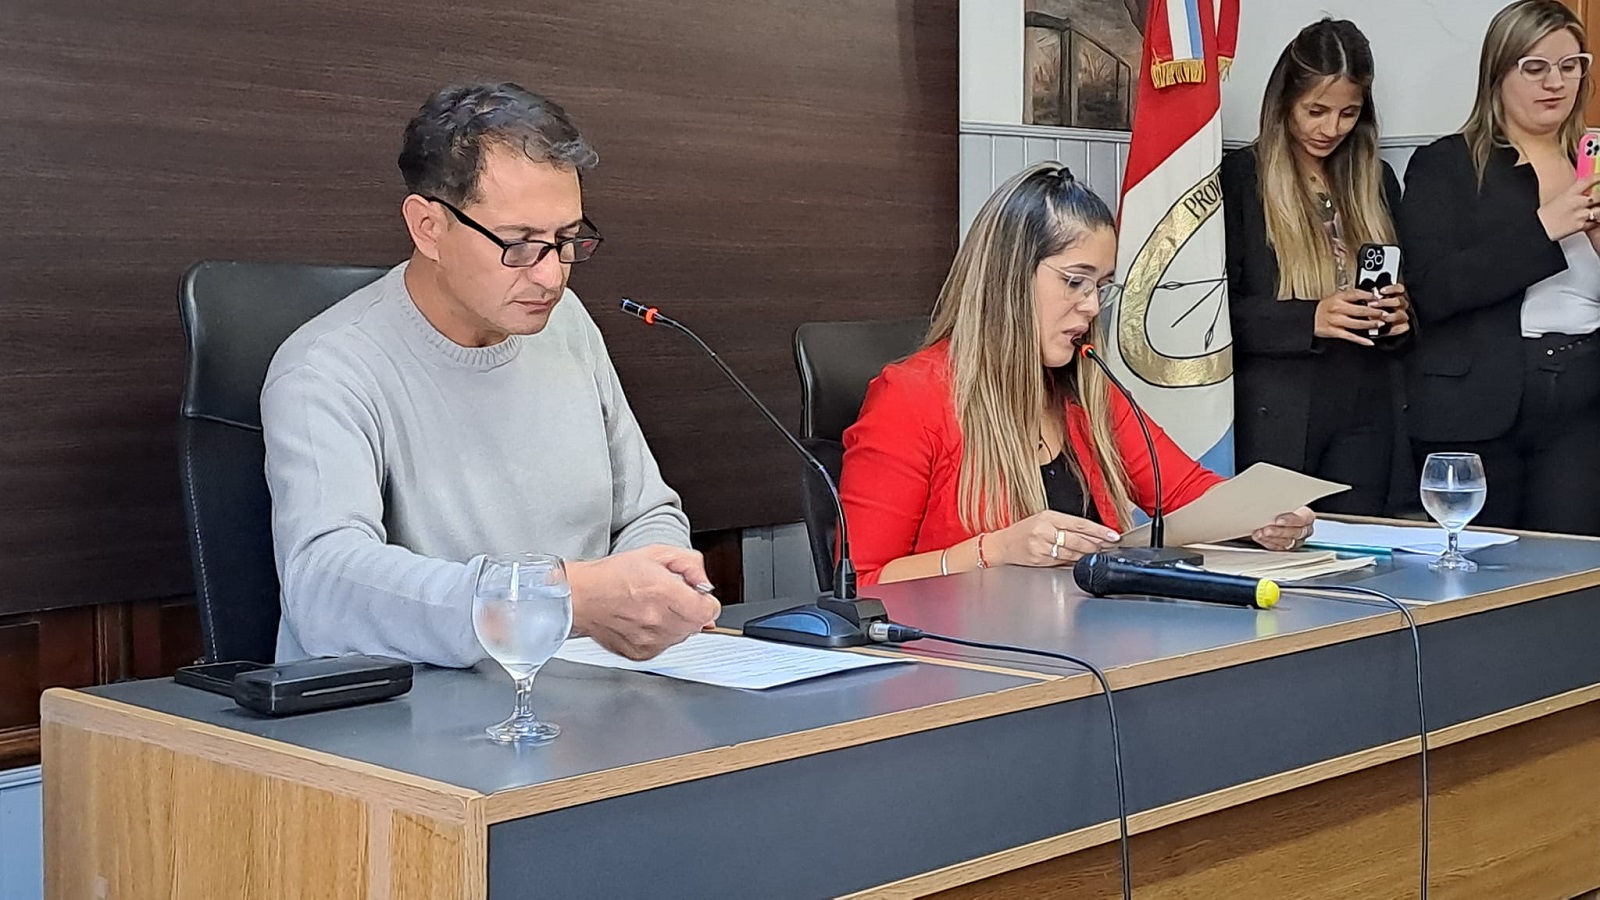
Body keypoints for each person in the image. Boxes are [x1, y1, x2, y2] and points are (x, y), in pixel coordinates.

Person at [261, 83, 720, 666]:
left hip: (584, 688)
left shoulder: (567, 325)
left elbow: (646, 513)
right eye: (519, 244)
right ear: (428, 227)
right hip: (414, 704)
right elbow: (324, 586)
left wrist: (658, 589)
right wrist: (554, 597)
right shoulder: (326, 367)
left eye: (567, 240)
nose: (551, 277)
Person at [839, 163, 1316, 586]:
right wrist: (995, 550)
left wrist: (1263, 517)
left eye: (1100, 287)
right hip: (966, 650)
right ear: (1009, 276)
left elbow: (1188, 496)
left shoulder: (1087, 387)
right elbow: (862, 583)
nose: (1090, 306)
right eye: (1074, 281)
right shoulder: (910, 397)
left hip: (1094, 639)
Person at [1401, 0, 1600, 534]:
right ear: (1497, 74)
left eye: (1570, 65)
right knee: (1482, 567)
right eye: (1534, 67)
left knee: (1573, 566)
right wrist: (1544, 228)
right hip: (1477, 406)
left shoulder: (1593, 163)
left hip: (1584, 402)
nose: (1555, 83)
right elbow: (1432, 291)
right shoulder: (1446, 164)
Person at [1221, 18, 1412, 517]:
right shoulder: (1240, 180)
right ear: (1284, 102)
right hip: (1277, 415)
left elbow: (1414, 307)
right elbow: (1214, 317)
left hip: (1367, 411)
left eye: (1349, 113)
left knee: (1361, 552)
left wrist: (1400, 318)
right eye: (1316, 111)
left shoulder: (1378, 180)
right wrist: (1310, 318)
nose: (1331, 129)